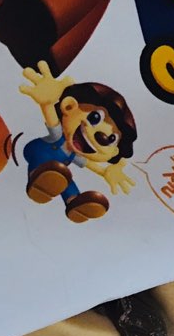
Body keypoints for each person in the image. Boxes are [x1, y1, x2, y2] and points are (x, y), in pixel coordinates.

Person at [19, 61, 138, 223]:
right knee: (46, 165)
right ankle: (36, 179)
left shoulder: (75, 154)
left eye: (112, 139)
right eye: (94, 118)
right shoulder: (59, 135)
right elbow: (52, 121)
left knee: (64, 180)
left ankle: (74, 202)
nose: (102, 137)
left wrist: (105, 172)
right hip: (38, 150)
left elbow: (88, 164)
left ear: (114, 152)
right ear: (69, 106)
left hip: (58, 170)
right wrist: (46, 103)